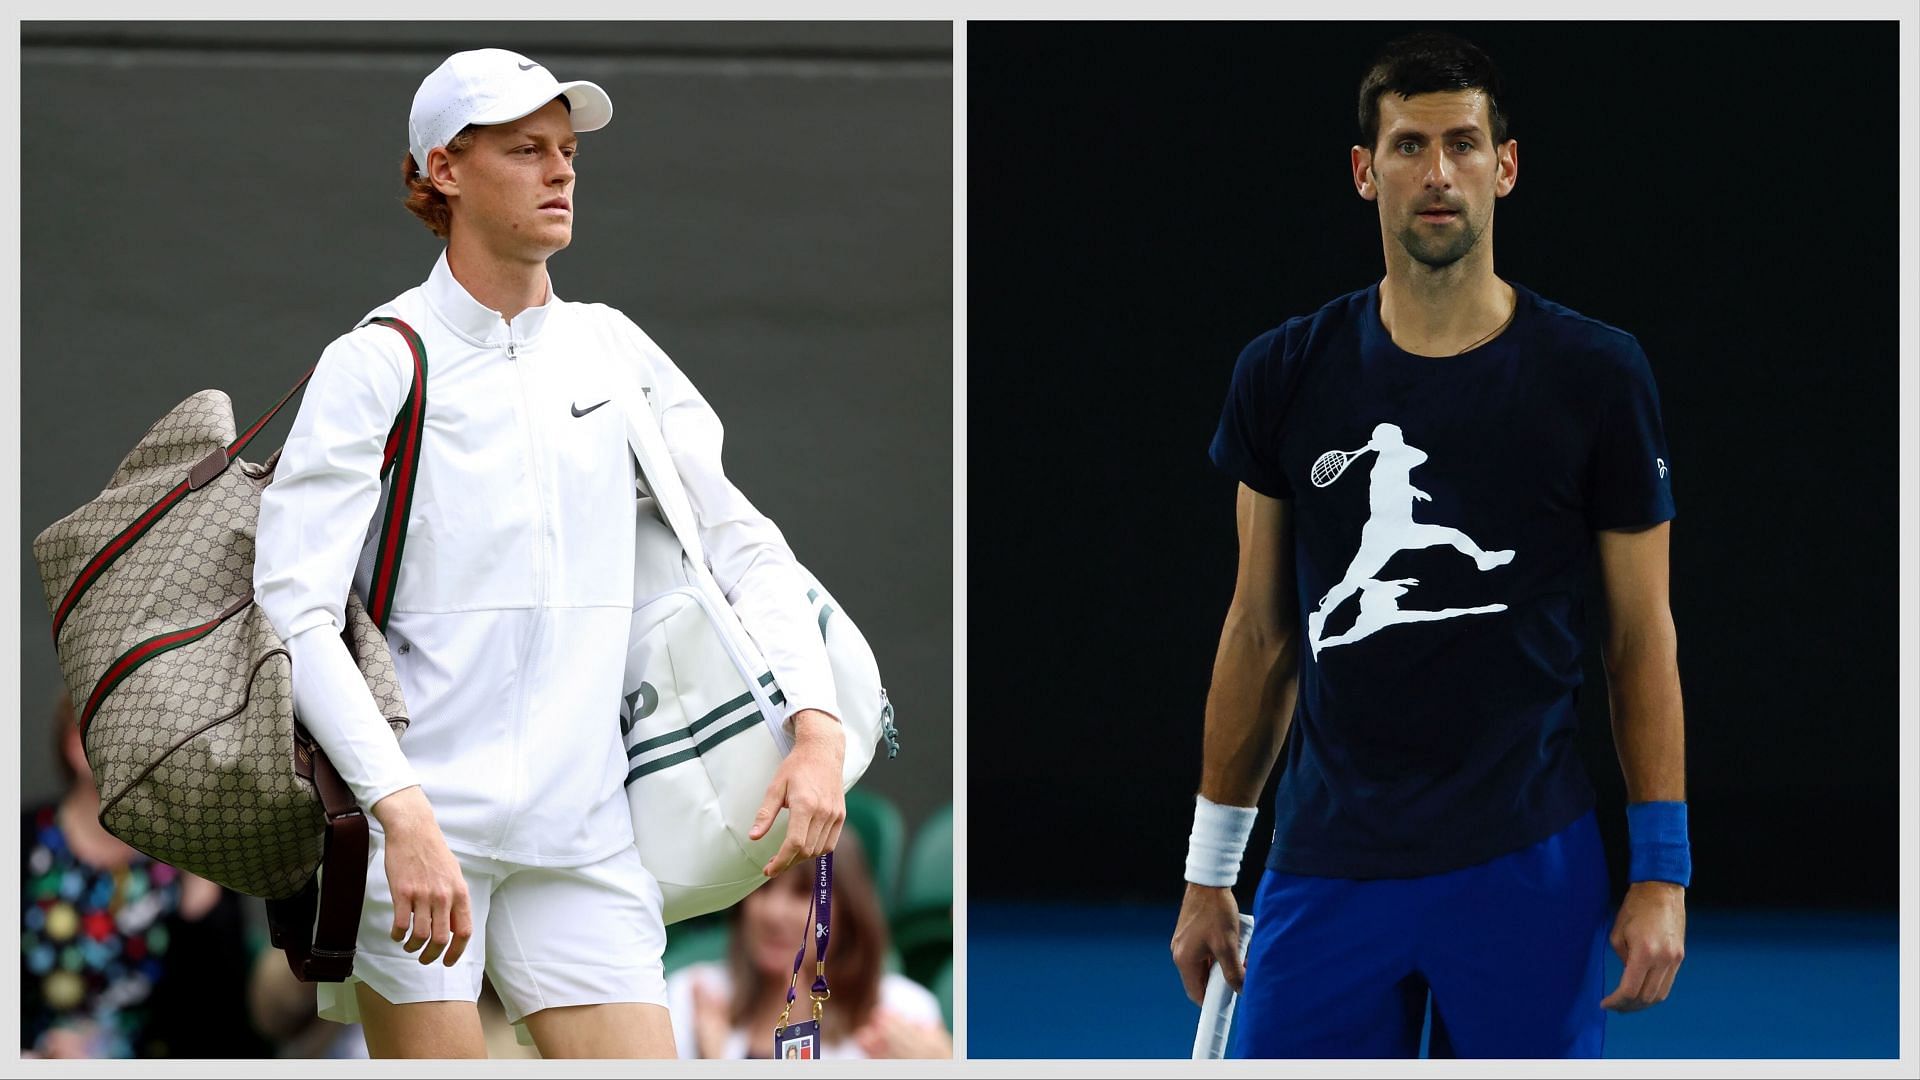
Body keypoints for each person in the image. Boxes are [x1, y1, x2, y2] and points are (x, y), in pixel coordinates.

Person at [253, 48, 848, 1059]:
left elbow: (741, 542)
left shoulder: (613, 349)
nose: (561, 171)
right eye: (527, 150)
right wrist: (401, 816)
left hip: (585, 838)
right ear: (443, 170)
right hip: (421, 835)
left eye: (567, 152)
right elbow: (294, 609)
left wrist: (819, 724)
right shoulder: (376, 362)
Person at [1169, 31, 1689, 1058]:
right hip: (1326, 863)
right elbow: (1261, 633)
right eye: (1409, 146)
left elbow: (1641, 639)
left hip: (1527, 866)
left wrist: (1661, 872)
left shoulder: (1598, 375)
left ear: (1505, 165)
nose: (1437, 173)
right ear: (1367, 173)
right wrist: (1209, 868)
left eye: (1462, 143)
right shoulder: (1284, 371)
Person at [21, 696, 271, 1059]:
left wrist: (201, 900)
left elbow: (223, 1023)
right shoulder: (22, 840)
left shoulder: (186, 854)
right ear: (74, 745)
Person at [666, 832, 951, 1059]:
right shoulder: (692, 993)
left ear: (849, 912)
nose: (775, 914)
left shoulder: (901, 1010)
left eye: (803, 893)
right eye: (763, 888)